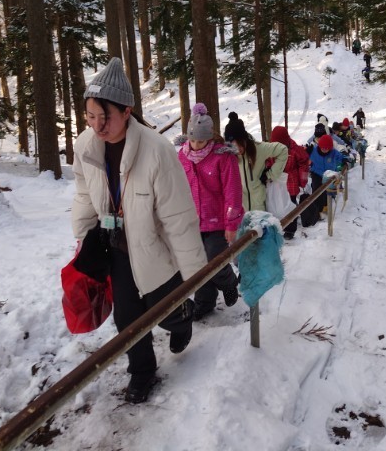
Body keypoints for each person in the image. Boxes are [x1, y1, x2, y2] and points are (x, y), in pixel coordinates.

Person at [72, 58, 207, 405]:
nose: (97, 126)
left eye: (105, 117)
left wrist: (195, 276)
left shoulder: (157, 150)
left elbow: (178, 217)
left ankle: (182, 320)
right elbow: (85, 192)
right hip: (117, 248)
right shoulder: (86, 146)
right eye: (90, 117)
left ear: (127, 111)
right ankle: (142, 370)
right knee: (127, 318)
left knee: (166, 312)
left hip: (154, 249)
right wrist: (83, 236)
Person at [176, 103, 243, 321]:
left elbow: (233, 193)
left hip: (217, 220)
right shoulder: (182, 157)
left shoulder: (223, 157)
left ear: (210, 138)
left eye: (201, 141)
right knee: (197, 264)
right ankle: (204, 302)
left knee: (214, 258)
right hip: (192, 220)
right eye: (193, 140)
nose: (196, 146)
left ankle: (229, 282)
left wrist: (231, 224)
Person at [224, 111, 288, 211]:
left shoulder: (259, 149)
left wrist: (270, 175)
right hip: (240, 210)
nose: (237, 150)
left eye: (239, 144)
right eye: (233, 146)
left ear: (244, 139)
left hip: (259, 208)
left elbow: (283, 150)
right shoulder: (229, 156)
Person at [269, 126, 310, 240]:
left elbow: (304, 164)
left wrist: (303, 180)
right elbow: (267, 161)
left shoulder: (295, 149)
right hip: (276, 181)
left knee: (290, 205)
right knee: (276, 203)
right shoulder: (271, 149)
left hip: (290, 182)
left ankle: (290, 230)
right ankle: (277, 226)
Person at [308, 134, 346, 213]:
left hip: (328, 175)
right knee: (317, 190)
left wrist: (344, 160)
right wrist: (306, 151)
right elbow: (302, 154)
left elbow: (340, 157)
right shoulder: (314, 151)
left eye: (327, 149)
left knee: (326, 190)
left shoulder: (333, 152)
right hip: (316, 173)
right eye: (323, 148)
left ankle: (325, 205)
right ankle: (317, 208)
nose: (325, 150)